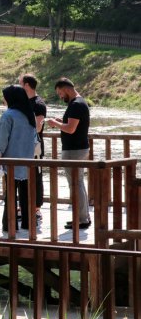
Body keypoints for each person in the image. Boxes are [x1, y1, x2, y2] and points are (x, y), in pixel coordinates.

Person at [47, 77, 91, 229]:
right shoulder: (79, 102)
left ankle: (82, 219)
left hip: (74, 150)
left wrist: (55, 123)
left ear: (66, 89)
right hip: (80, 148)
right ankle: (83, 217)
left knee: (75, 184)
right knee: (78, 183)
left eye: (60, 93)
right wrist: (61, 120)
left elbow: (71, 129)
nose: (60, 96)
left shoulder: (76, 105)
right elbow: (72, 124)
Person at [0, 85, 37, 232]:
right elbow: (35, 139)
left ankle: (10, 225)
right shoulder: (29, 115)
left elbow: (2, 140)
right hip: (28, 162)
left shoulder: (8, 116)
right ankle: (28, 223)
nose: (3, 100)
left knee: (10, 196)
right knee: (26, 195)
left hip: (11, 162)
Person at [19, 73, 47, 219]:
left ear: (27, 85)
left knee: (36, 176)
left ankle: (36, 208)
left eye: (20, 84)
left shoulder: (38, 104)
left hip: (35, 146)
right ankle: (23, 205)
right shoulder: (23, 102)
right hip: (22, 146)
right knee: (22, 176)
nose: (19, 86)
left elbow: (38, 128)